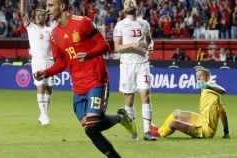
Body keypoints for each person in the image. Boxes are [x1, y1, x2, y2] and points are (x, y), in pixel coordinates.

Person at [34, 0, 136, 157]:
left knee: (93, 125)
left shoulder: (83, 23)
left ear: (61, 6)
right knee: (90, 129)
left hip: (96, 80)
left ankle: (121, 119)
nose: (47, 10)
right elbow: (62, 62)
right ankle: (121, 118)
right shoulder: (54, 35)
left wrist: (89, 54)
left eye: (50, 5)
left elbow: (105, 46)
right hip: (78, 87)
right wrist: (46, 73)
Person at [113, 0, 156, 141]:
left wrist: (149, 45)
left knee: (146, 94)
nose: (130, 3)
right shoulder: (120, 25)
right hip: (127, 65)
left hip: (142, 63)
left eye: (132, 1)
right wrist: (133, 44)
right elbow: (117, 48)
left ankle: (147, 132)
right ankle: (134, 132)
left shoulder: (144, 23)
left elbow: (149, 40)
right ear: (124, 8)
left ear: (136, 6)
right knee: (129, 100)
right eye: (126, 3)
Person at [152, 67, 230, 139]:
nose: (198, 78)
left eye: (200, 76)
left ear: (208, 78)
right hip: (201, 120)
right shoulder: (205, 91)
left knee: (173, 124)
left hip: (205, 131)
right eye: (197, 77)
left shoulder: (212, 93)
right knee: (176, 113)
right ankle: (160, 130)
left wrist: (226, 132)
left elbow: (223, 91)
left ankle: (159, 134)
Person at [20, 0, 56, 125]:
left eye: (42, 14)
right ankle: (44, 115)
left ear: (45, 17)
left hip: (50, 61)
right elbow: (22, 13)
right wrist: (22, 2)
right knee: (40, 86)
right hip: (38, 61)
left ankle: (44, 114)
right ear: (35, 17)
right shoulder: (31, 27)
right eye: (38, 15)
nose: (40, 16)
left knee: (49, 88)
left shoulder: (50, 29)